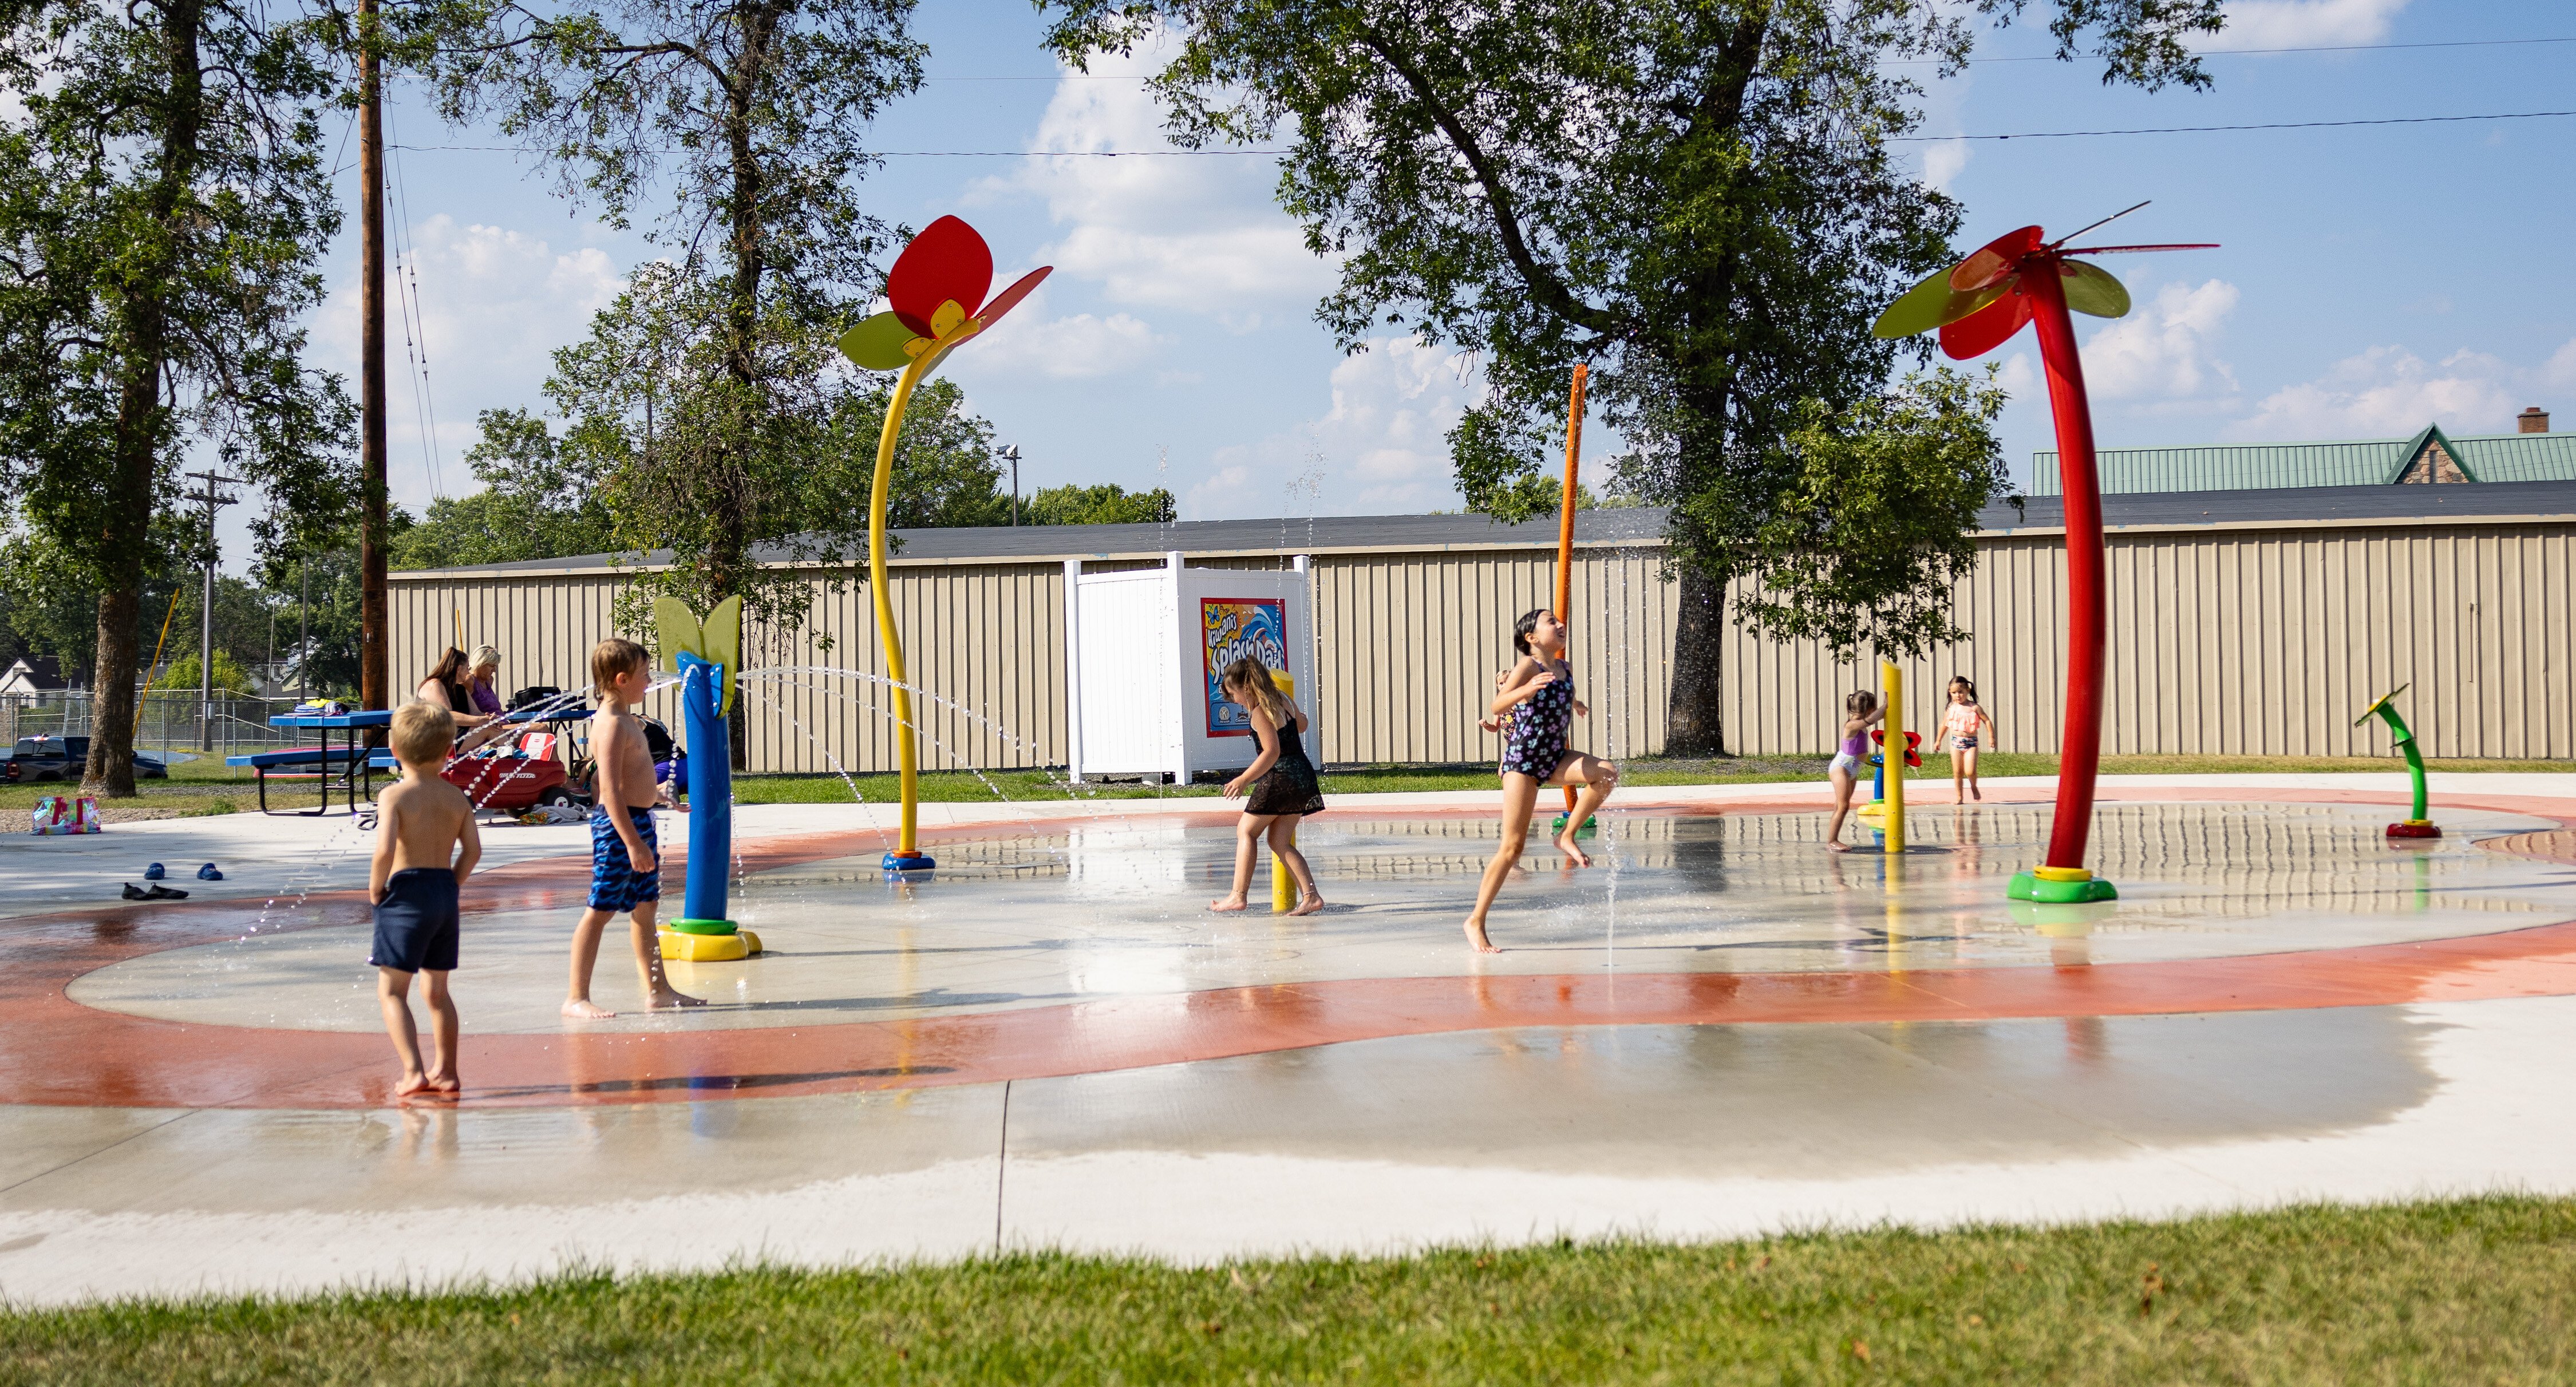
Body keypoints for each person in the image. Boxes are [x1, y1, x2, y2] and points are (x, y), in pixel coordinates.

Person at [1461, 608, 1619, 954]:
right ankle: (1476, 920)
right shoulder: (1529, 666)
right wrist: (1526, 689)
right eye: (1551, 623)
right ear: (1532, 638)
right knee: (1512, 847)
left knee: (1606, 773)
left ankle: (1566, 834)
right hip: (1524, 760)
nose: (1560, 625)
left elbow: (1561, 694)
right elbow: (1497, 705)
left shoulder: (1565, 668)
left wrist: (1575, 702)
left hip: (1554, 757)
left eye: (1560, 621)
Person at [564, 637, 701, 1018]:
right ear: (622, 679)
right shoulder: (610, 725)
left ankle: (658, 990)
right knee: (600, 909)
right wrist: (633, 844)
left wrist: (659, 796)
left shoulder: (629, 720)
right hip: (618, 829)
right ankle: (576, 996)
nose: (650, 681)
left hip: (638, 822)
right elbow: (608, 791)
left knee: (646, 908)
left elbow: (631, 782)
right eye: (645, 675)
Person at [368, 701, 481, 1099]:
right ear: (449, 751)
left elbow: (384, 851)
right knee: (437, 992)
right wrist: (453, 883)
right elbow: (473, 851)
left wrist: (376, 888)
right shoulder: (457, 797)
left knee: (392, 991)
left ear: (395, 750)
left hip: (406, 894)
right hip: (443, 895)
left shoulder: (394, 795)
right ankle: (447, 1070)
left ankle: (414, 1070)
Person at [1207, 655, 1325, 916]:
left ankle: (1238, 896)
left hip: (1281, 776)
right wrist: (1291, 717)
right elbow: (1303, 724)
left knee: (1246, 831)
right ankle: (1311, 896)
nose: (1234, 701)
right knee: (1279, 840)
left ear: (1246, 688)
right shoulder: (1285, 700)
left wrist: (1242, 780)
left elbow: (1271, 752)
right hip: (1302, 775)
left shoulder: (1260, 711)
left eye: (1234, 694)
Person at [1824, 689, 1886, 851]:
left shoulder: (1862, 723)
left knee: (1840, 806)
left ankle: (1833, 839)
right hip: (1842, 768)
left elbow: (1873, 718)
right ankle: (1832, 841)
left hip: (1853, 769)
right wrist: (1886, 705)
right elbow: (1871, 720)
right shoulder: (1852, 725)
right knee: (1843, 806)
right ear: (1869, 708)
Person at [414, 647, 497, 750]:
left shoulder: (460, 689)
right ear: (459, 669)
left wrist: (491, 720)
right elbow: (448, 716)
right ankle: (515, 760)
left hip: (449, 738)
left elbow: (476, 713)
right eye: (468, 668)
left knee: (494, 732)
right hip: (429, 742)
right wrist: (480, 721)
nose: (469, 673)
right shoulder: (435, 685)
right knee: (490, 731)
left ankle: (510, 758)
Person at [1942, 675, 1997, 805]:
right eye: (1954, 693)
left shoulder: (1974, 708)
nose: (1958, 695)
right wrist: (1938, 740)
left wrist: (1991, 737)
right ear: (1950, 693)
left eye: (1961, 692)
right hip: (1956, 742)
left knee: (1970, 771)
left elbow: (1987, 721)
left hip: (1971, 743)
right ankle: (1959, 797)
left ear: (1968, 691)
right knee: (1957, 772)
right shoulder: (1951, 708)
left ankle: (1973, 786)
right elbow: (1944, 725)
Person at [466, 645, 505, 718]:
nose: (494, 670)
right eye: (492, 666)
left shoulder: (489, 680)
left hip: (501, 723)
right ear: (481, 663)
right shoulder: (470, 681)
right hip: (489, 726)